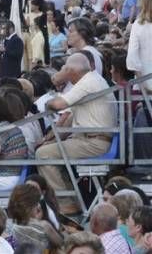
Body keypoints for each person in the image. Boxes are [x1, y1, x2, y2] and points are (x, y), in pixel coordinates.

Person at [36, 53, 116, 215]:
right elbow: (70, 116)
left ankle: (65, 203)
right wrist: (50, 137)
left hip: (94, 142)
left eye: (65, 69)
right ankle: (72, 202)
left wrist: (53, 89)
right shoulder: (92, 79)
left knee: (43, 154)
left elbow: (59, 104)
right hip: (90, 139)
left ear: (71, 70)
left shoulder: (87, 82)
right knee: (50, 150)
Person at [8, 184, 63, 251]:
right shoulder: (44, 225)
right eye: (36, 203)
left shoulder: (10, 225)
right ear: (29, 206)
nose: (39, 206)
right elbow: (61, 243)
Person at [127, 0, 152, 83]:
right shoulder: (138, 24)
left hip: (145, 81)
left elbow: (132, 58)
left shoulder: (138, 25)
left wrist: (143, 85)